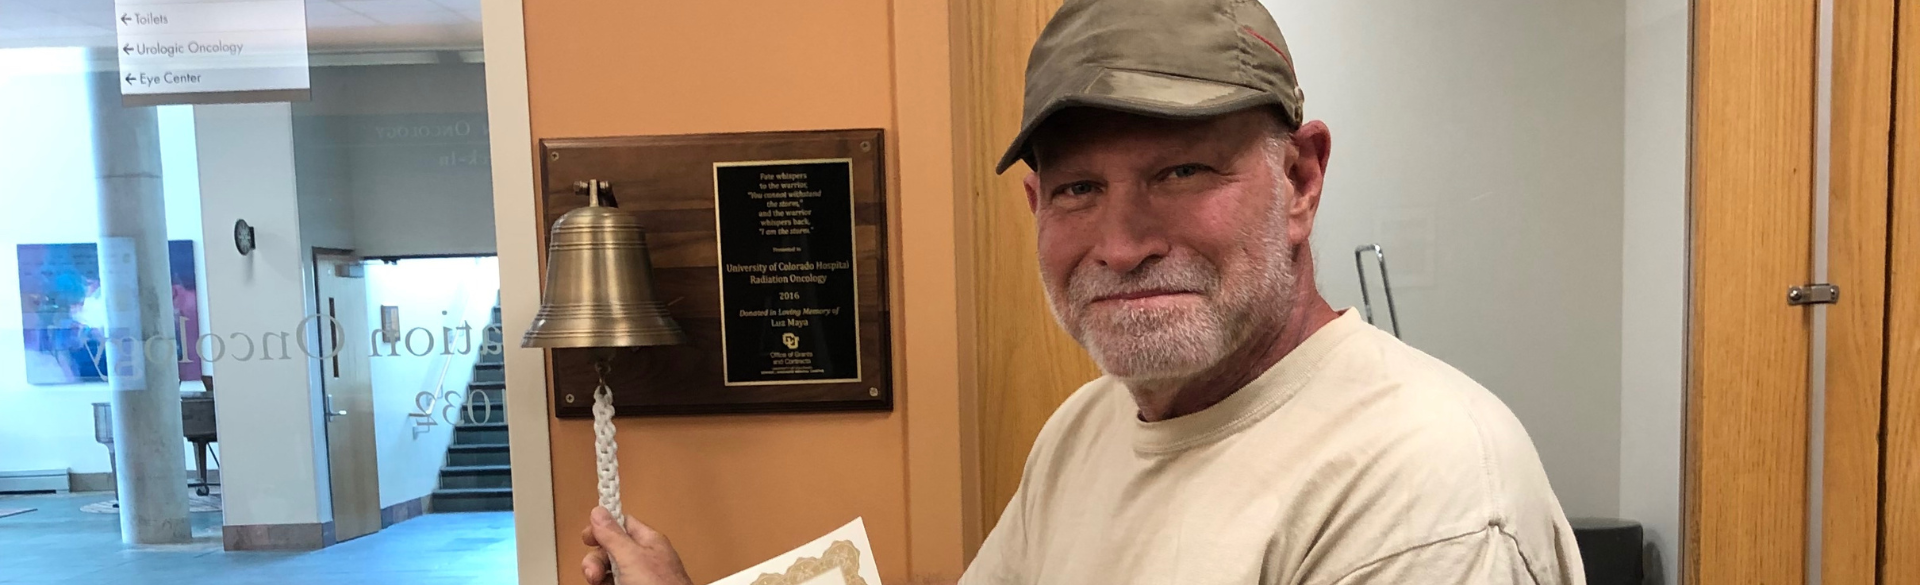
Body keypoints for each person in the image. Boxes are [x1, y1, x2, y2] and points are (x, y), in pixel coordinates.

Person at [582, 0, 1586, 583]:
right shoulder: (1085, 432)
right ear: (1034, 207)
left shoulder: (1426, 489)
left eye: (1182, 172)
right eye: (1076, 189)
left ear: (1302, 180)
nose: (1119, 242)